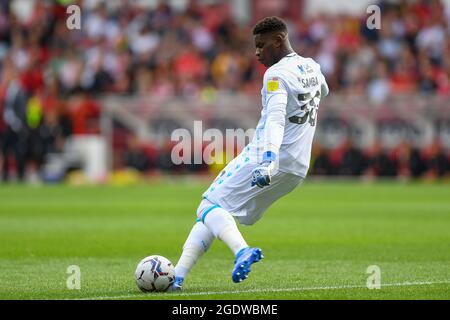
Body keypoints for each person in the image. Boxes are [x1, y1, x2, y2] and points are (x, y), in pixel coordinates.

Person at [170, 16, 329, 291]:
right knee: (216, 213)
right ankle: (178, 277)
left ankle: (242, 251)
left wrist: (268, 159)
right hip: (297, 167)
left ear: (278, 41)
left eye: (261, 45)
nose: (256, 52)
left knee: (207, 206)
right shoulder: (312, 67)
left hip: (267, 158)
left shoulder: (276, 74)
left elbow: (277, 117)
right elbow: (323, 91)